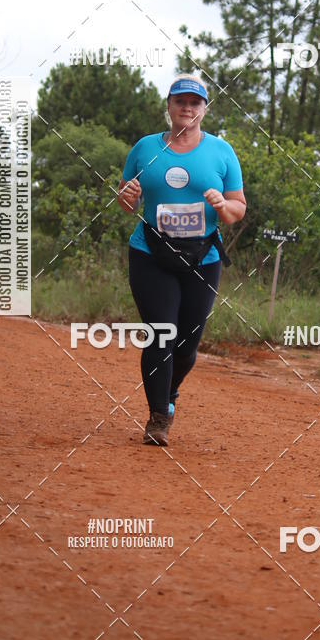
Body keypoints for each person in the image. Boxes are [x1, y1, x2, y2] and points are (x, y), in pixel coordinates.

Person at [118, 74, 246, 446]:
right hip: (150, 254)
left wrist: (224, 206)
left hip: (202, 257)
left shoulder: (222, 152)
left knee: (187, 345)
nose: (187, 108)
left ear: (204, 109)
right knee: (161, 334)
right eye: (180, 102)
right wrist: (128, 195)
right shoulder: (144, 149)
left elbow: (238, 208)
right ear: (169, 107)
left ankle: (169, 394)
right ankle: (158, 417)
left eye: (195, 103)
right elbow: (127, 203)